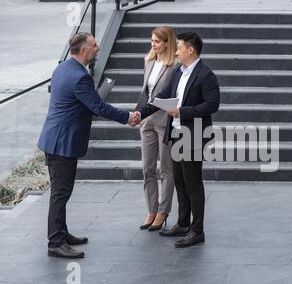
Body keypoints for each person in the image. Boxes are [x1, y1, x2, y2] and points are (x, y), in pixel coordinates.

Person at [38, 32, 140, 259]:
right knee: (60, 193)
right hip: (62, 142)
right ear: (83, 50)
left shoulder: (63, 68)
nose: (98, 48)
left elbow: (75, 102)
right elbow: (99, 108)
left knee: (60, 191)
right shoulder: (79, 76)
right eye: (94, 45)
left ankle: (61, 233)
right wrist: (128, 117)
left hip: (54, 138)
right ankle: (55, 242)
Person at [137, 31, 220, 248]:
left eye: (180, 47)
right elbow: (161, 97)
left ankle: (197, 229)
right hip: (174, 134)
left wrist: (183, 112)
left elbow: (212, 105)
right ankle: (183, 223)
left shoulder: (205, 74)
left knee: (193, 184)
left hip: (192, 135)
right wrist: (140, 114)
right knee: (180, 182)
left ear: (191, 50)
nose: (177, 51)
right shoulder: (177, 73)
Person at [136, 26, 179, 232]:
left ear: (167, 43)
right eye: (152, 40)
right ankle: (151, 210)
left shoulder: (175, 65)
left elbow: (166, 95)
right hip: (147, 120)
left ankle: (163, 211)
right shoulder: (148, 61)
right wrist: (138, 115)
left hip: (164, 120)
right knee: (148, 168)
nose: (153, 44)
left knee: (166, 169)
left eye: (157, 41)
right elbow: (146, 92)